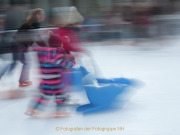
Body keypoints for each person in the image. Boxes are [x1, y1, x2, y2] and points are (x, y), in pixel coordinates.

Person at [25, 33, 73, 117]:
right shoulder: (57, 53)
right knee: (60, 94)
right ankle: (60, 111)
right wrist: (70, 63)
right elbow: (64, 63)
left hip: (46, 78)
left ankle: (32, 108)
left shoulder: (47, 52)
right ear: (58, 44)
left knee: (45, 95)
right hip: (54, 79)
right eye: (61, 43)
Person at [14, 8, 46, 87]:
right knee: (21, 63)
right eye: (42, 14)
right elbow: (37, 37)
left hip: (20, 44)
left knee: (26, 62)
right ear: (38, 15)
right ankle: (22, 81)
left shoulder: (32, 22)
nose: (44, 16)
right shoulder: (34, 23)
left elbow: (35, 37)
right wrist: (46, 46)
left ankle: (23, 81)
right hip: (20, 45)